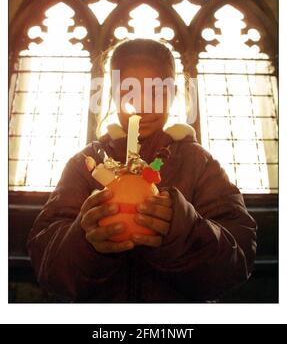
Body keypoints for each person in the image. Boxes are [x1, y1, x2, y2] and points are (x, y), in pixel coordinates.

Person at [27, 38, 257, 303]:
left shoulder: (200, 164)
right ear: (112, 95)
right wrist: (85, 240)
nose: (143, 105)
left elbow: (238, 257)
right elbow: (45, 258)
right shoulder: (85, 164)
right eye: (129, 91)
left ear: (173, 94)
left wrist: (183, 231)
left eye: (156, 92)